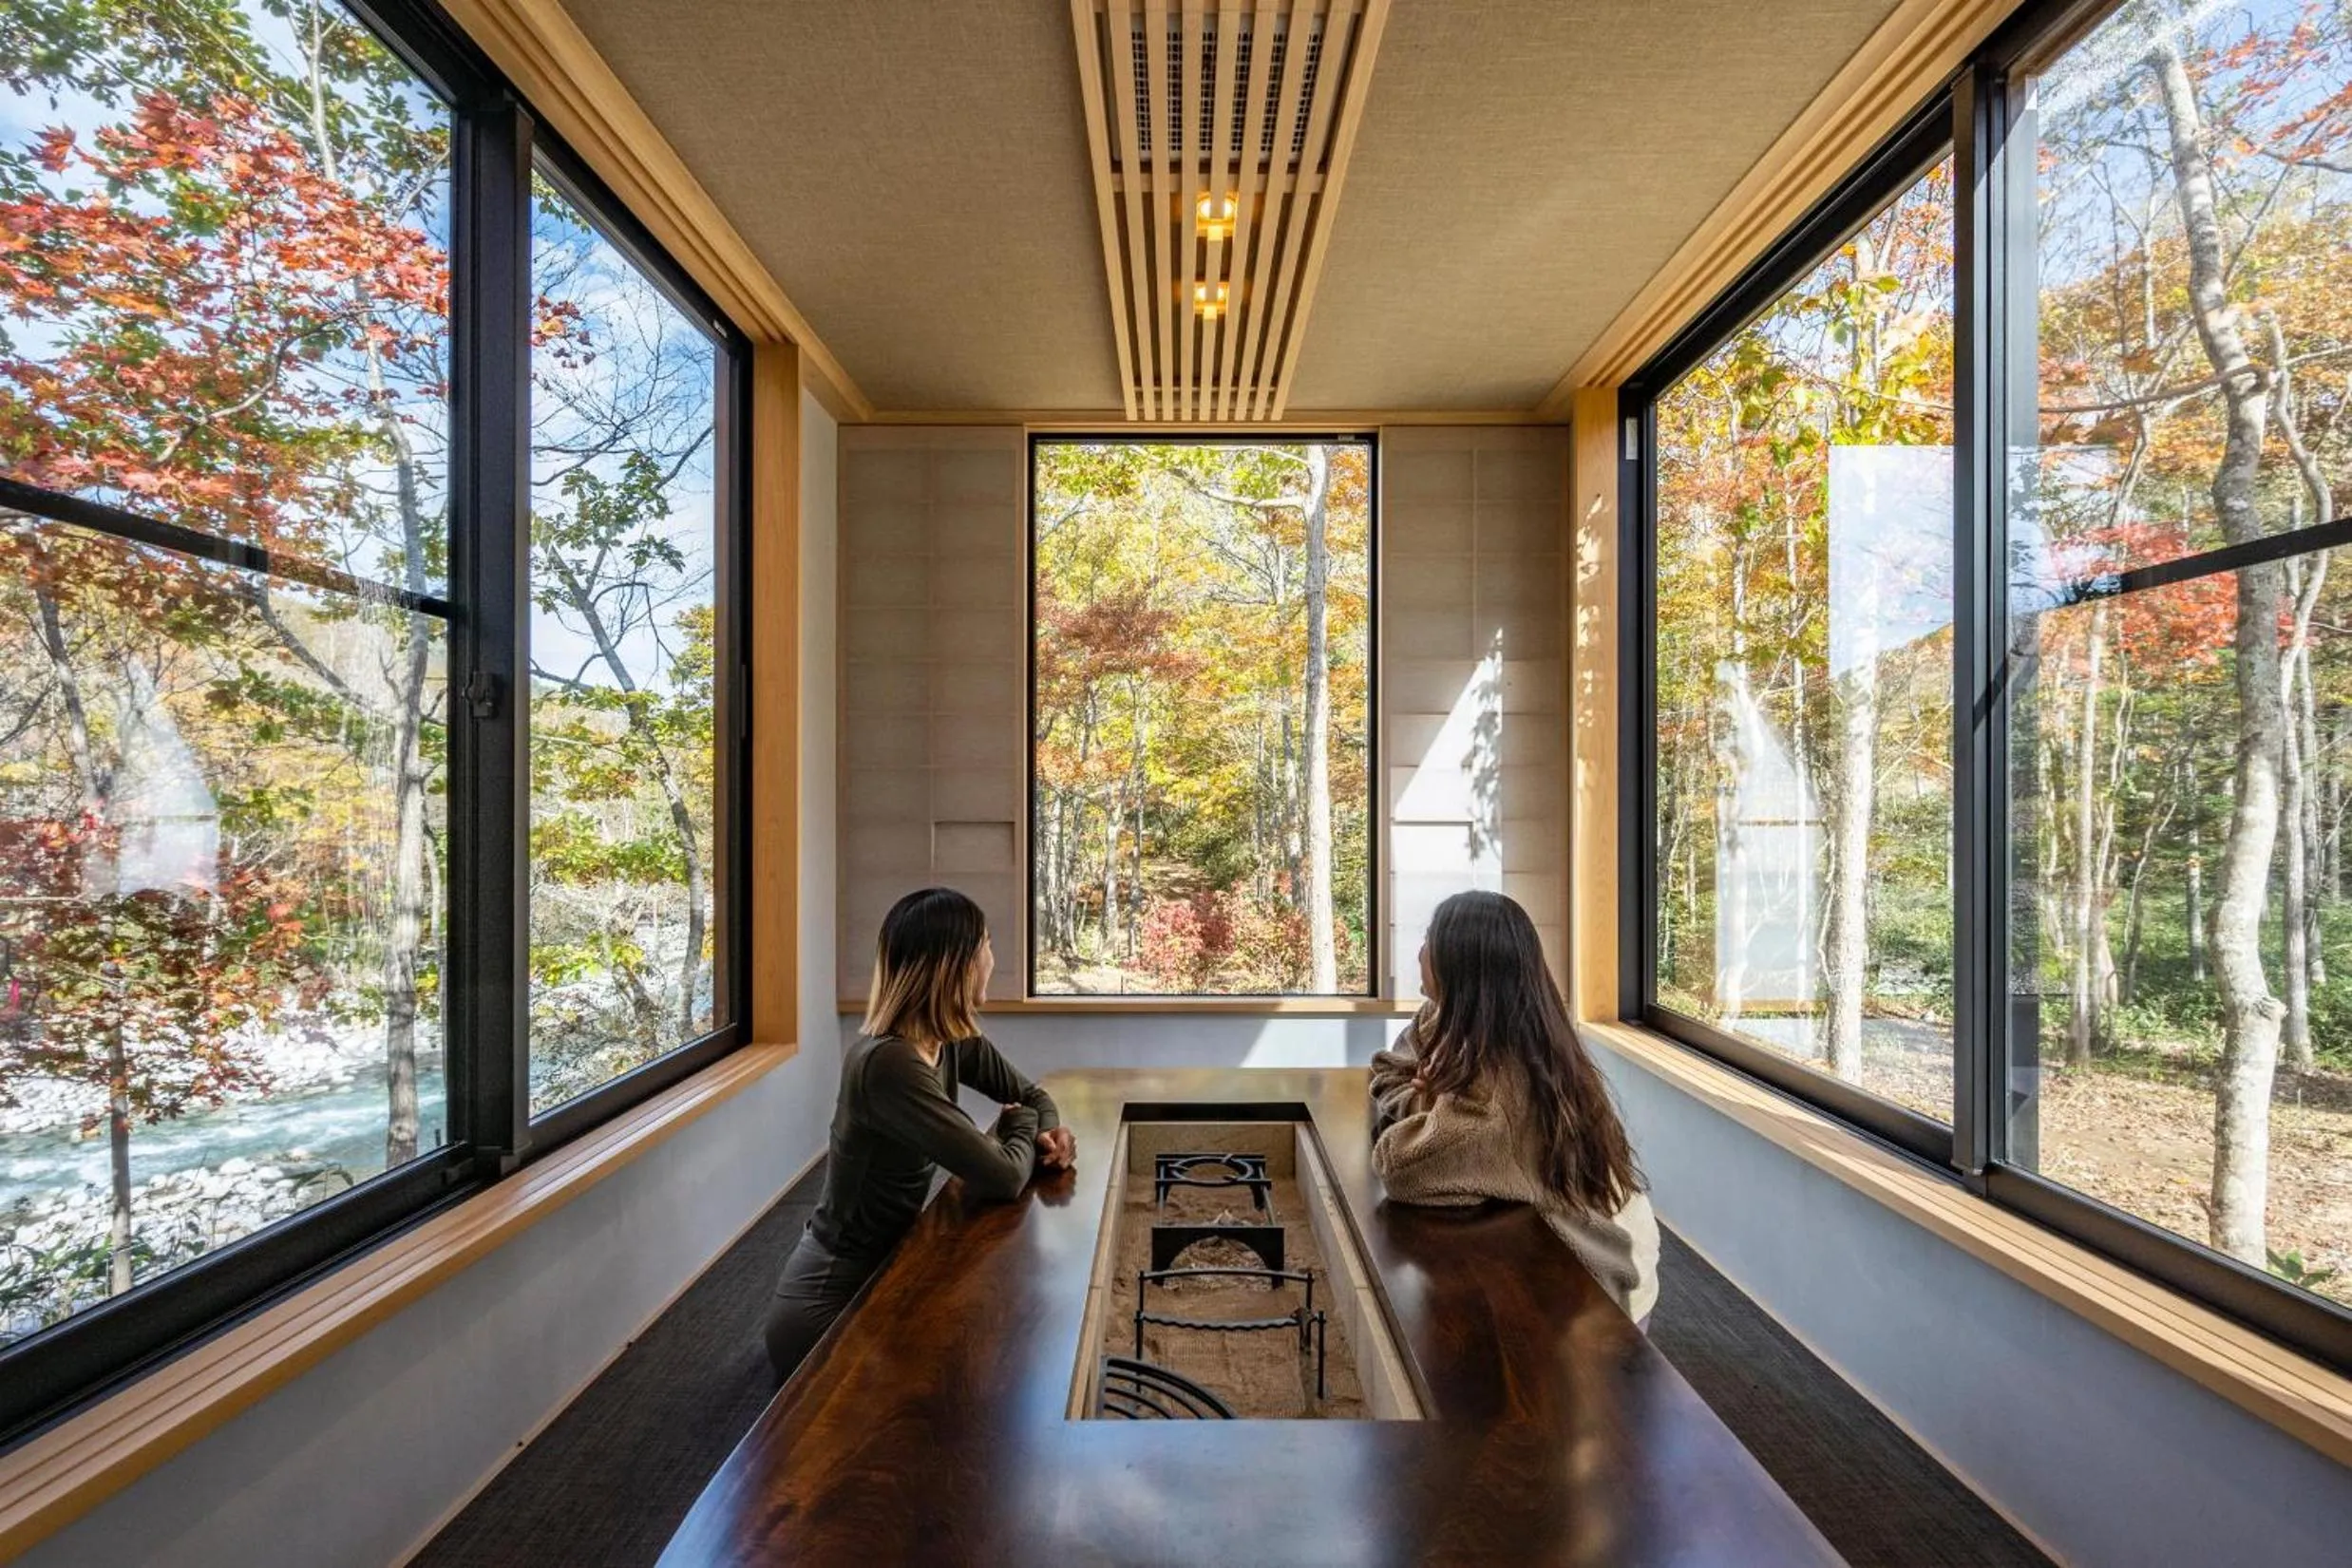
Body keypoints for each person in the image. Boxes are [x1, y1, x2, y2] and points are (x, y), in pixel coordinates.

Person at [763, 887, 1074, 1377]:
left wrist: (1051, 1131)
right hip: (832, 1299)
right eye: (987, 945)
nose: (994, 959)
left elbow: (1032, 1095)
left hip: (895, 1264)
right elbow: (1003, 1176)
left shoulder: (950, 1039)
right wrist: (1020, 1125)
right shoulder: (889, 1064)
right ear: (959, 964)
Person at [1370, 890, 1660, 1325]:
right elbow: (1389, 1069)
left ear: (1461, 964)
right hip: (1580, 1227)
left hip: (1598, 1269)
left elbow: (1401, 1167)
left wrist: (1428, 1102)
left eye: (1430, 941)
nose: (1419, 953)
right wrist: (1428, 1100)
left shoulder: (1499, 1088)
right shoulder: (1451, 1018)